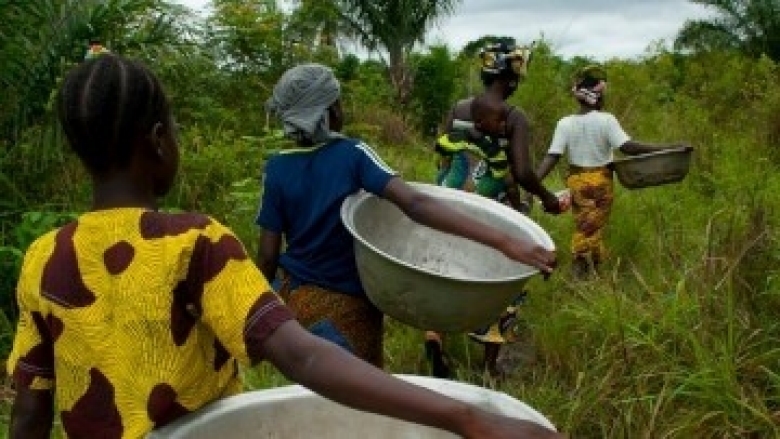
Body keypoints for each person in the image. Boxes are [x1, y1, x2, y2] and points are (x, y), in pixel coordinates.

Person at [7, 54, 565, 439]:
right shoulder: (192, 241)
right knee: (349, 409)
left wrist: (267, 290)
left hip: (292, 293)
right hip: (338, 309)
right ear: (157, 142)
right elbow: (302, 356)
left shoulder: (42, 258)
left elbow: (30, 407)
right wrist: (467, 418)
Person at [256, 63, 556, 371]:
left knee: (310, 388)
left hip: (293, 298)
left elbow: (267, 254)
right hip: (346, 307)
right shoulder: (353, 154)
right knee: (358, 394)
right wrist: (506, 243)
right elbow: (414, 203)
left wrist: (262, 311)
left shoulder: (276, 168)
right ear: (332, 109)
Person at [427, 43, 565, 379]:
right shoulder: (513, 116)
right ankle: (490, 365)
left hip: (450, 201)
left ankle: (435, 334)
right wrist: (547, 198)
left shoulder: (458, 108)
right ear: (514, 76)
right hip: (493, 210)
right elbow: (522, 171)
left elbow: (444, 152)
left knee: (447, 267)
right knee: (503, 277)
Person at [535, 64, 690, 278]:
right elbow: (629, 147)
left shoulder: (564, 123)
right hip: (600, 182)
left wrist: (532, 182)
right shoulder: (606, 120)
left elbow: (552, 156)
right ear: (598, 96)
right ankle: (579, 272)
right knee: (588, 229)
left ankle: (596, 272)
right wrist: (670, 148)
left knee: (588, 225)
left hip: (577, 182)